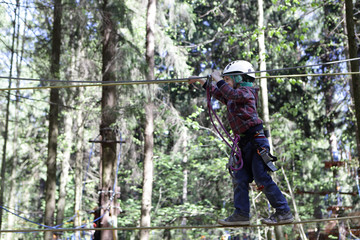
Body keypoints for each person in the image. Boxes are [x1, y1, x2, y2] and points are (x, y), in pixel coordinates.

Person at [188, 60, 294, 225]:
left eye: (228, 80)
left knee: (261, 177)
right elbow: (219, 93)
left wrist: (218, 79)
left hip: (256, 141)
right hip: (244, 144)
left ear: (239, 78)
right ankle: (241, 214)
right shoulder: (232, 97)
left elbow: (231, 93)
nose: (226, 83)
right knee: (239, 177)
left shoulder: (247, 92)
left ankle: (283, 211)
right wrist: (201, 81)